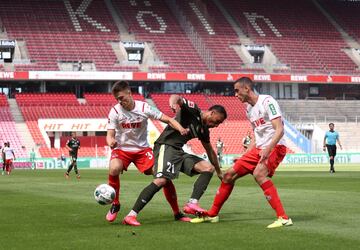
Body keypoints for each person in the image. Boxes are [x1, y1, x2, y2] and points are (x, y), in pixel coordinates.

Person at [191, 77, 292, 228]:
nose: (235, 95)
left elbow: (280, 130)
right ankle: (212, 214)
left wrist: (268, 149)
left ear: (247, 88)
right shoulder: (249, 110)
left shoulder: (267, 102)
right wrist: (245, 155)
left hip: (276, 147)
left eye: (237, 91)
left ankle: (283, 218)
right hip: (259, 148)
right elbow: (256, 134)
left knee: (259, 174)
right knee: (228, 175)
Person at [122, 94, 227, 226]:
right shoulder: (193, 110)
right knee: (161, 180)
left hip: (178, 151)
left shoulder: (204, 130)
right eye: (217, 121)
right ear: (212, 113)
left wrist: (218, 170)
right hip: (165, 146)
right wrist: (173, 104)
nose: (216, 125)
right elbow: (177, 97)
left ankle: (192, 203)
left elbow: (210, 150)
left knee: (208, 168)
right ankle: (131, 215)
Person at [105, 81, 190, 223]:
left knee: (163, 176)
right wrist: (111, 141)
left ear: (129, 93)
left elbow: (168, 119)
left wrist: (181, 129)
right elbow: (109, 134)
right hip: (122, 149)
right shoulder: (115, 111)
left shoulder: (144, 107)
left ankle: (177, 213)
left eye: (121, 98)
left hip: (142, 150)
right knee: (114, 168)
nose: (120, 102)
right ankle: (115, 204)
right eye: (117, 99)